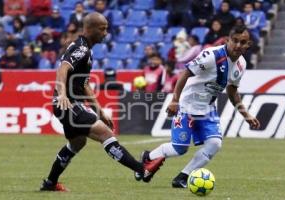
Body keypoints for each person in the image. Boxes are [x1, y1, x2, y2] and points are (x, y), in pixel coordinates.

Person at [40, 12, 163, 192]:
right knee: (105, 133)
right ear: (89, 29)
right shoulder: (81, 49)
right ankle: (141, 170)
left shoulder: (86, 49)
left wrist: (99, 111)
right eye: (102, 29)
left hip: (69, 104)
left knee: (77, 143)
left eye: (106, 28)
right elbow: (62, 69)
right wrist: (62, 94)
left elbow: (84, 84)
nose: (106, 33)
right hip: (68, 104)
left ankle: (50, 183)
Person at [134, 25, 261, 187]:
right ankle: (148, 156)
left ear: (248, 44)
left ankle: (182, 177)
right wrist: (175, 101)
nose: (237, 45)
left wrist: (246, 115)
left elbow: (232, 91)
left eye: (242, 42)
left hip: (208, 109)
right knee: (179, 149)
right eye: (234, 41)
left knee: (215, 144)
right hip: (187, 105)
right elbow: (185, 74)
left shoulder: (241, 64)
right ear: (227, 40)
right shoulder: (211, 55)